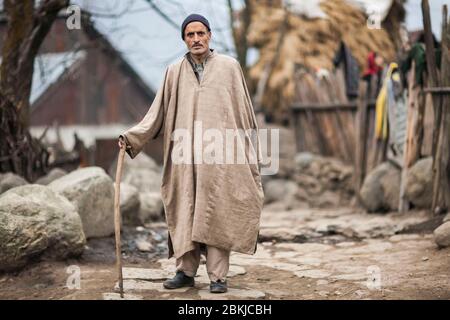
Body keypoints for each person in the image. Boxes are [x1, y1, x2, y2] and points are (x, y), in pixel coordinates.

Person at [118, 13, 264, 294]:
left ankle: (218, 277)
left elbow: (244, 113)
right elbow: (156, 113)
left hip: (220, 157)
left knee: (217, 212)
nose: (196, 39)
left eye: (200, 33)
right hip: (183, 157)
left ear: (209, 35)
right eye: (190, 35)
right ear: (184, 39)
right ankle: (185, 272)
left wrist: (248, 154)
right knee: (185, 210)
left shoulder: (229, 67)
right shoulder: (173, 72)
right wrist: (132, 138)